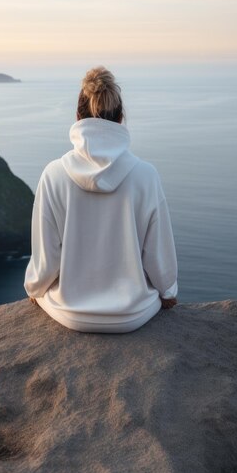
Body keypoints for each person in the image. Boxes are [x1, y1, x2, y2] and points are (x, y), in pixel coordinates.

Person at [24, 66, 178, 333]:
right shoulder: (146, 175)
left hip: (69, 312)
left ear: (77, 117)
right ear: (121, 119)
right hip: (133, 314)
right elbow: (157, 253)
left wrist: (35, 289)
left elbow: (47, 259)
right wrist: (168, 291)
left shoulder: (53, 174)